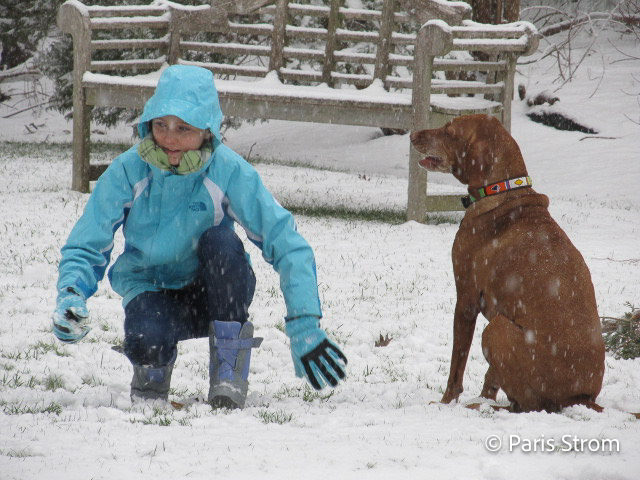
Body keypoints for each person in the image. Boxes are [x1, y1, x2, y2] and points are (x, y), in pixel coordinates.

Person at [52, 65, 347, 409]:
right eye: (161, 125)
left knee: (221, 243)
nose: (170, 138)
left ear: (207, 131)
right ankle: (152, 369)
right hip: (151, 289)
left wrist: (304, 321)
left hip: (215, 292)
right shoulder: (129, 170)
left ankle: (228, 371)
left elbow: (285, 241)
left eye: (184, 127)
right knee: (147, 338)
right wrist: (71, 292)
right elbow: (89, 240)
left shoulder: (228, 171)